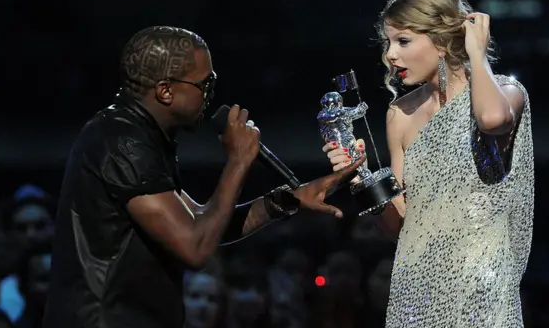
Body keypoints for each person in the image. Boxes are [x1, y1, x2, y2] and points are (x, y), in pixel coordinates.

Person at [42, 26, 365, 328]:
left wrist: (288, 200)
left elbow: (203, 222)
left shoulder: (139, 136)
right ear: (165, 91)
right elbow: (195, 248)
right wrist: (238, 160)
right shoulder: (122, 141)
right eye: (203, 85)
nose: (210, 95)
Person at [323, 0, 534, 327]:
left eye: (403, 41)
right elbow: (402, 226)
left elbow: (492, 118)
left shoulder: (507, 92)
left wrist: (476, 54)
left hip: (483, 296)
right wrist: (359, 178)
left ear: (440, 42)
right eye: (388, 42)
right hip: (416, 295)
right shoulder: (400, 115)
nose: (390, 54)